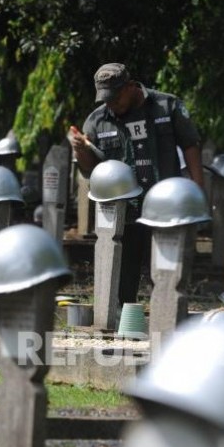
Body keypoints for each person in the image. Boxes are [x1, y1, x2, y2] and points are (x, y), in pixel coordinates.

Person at [70, 62, 203, 304]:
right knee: (123, 273)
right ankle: (124, 321)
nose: (112, 105)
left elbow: (190, 145)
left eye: (116, 98)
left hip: (165, 209)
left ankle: (165, 320)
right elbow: (89, 168)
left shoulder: (167, 106)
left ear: (131, 87)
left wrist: (198, 191)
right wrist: (80, 150)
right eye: (106, 100)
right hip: (125, 209)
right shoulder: (98, 120)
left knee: (166, 271)